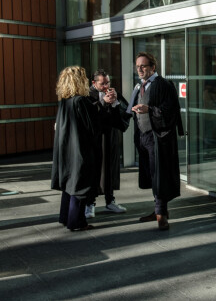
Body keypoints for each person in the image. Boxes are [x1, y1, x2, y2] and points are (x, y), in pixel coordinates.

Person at [128, 52, 183, 230]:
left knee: (159, 174)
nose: (140, 69)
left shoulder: (164, 85)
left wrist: (150, 109)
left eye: (143, 66)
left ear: (153, 67)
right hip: (143, 137)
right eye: (137, 66)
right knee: (153, 175)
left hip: (157, 137)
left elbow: (171, 110)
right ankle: (160, 210)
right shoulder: (139, 86)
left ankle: (161, 215)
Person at [51, 66, 101, 231]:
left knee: (69, 185)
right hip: (80, 150)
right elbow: (93, 127)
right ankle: (76, 222)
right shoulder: (80, 101)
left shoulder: (65, 102)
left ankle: (66, 217)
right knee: (80, 186)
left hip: (67, 151)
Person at [85, 69, 131, 218]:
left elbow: (124, 113)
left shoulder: (113, 93)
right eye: (102, 83)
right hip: (94, 139)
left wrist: (115, 102)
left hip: (110, 137)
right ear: (94, 83)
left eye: (108, 82)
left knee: (110, 169)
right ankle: (89, 203)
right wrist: (103, 103)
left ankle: (110, 201)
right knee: (94, 170)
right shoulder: (87, 95)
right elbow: (89, 117)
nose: (106, 86)